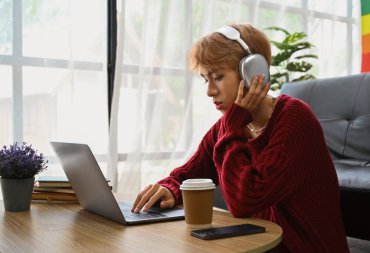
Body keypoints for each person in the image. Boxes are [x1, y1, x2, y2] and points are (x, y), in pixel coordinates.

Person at [132, 23, 349, 253]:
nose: (210, 91)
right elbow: (186, 174)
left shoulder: (294, 120)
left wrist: (234, 123)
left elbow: (244, 201)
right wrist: (170, 188)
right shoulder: (228, 127)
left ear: (253, 73)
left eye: (218, 76)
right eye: (206, 79)